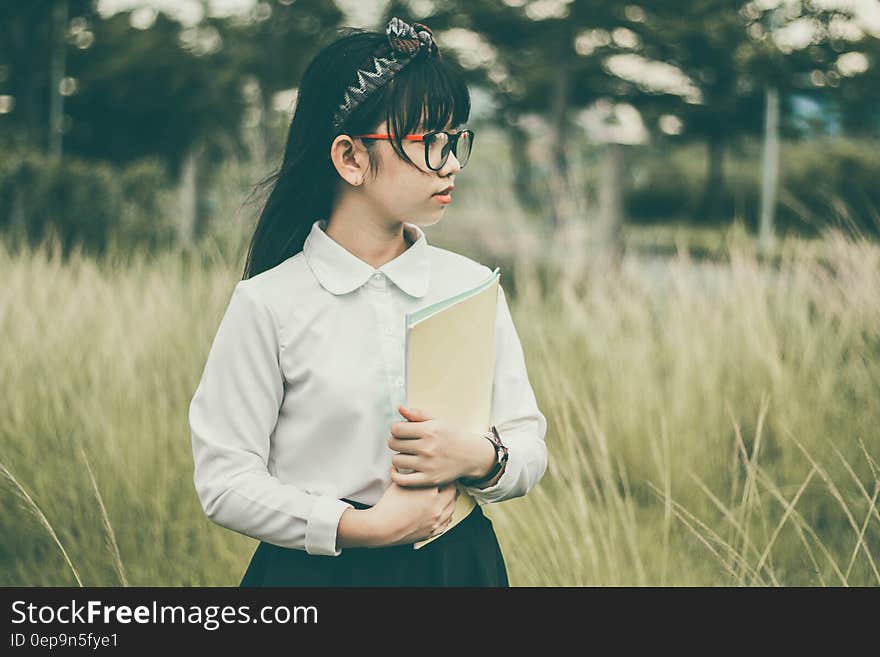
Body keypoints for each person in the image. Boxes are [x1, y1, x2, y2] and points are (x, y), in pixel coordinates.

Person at [188, 16, 548, 587]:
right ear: (350, 158)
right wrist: (362, 528)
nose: (450, 162)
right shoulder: (269, 303)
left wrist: (478, 457)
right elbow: (225, 481)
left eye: (455, 140)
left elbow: (529, 445)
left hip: (458, 569)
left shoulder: (472, 287)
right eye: (428, 142)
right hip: (316, 578)